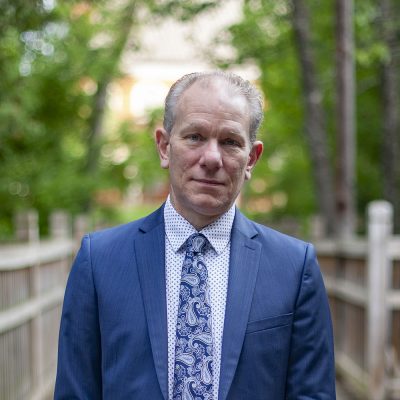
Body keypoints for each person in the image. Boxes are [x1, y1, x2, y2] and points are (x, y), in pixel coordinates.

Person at [55, 71, 335, 399]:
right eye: (195, 137)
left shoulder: (294, 267)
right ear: (164, 146)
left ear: (251, 158)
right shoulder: (99, 261)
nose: (212, 158)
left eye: (230, 141)